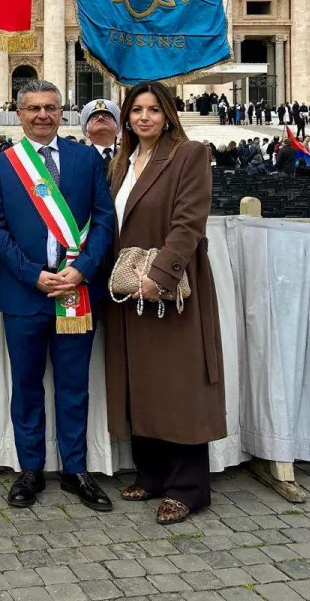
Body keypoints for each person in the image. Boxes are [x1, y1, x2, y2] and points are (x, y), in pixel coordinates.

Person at [0, 80, 115, 510]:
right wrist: (33, 274)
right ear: (19, 114)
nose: (42, 115)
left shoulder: (85, 158)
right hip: (25, 294)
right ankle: (31, 469)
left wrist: (81, 271)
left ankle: (76, 469)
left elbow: (103, 221)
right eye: (34, 108)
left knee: (75, 386)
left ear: (62, 113)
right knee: (27, 386)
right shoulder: (2, 165)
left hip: (76, 292)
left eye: (51, 108)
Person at [105, 81, 225, 525]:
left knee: (179, 381)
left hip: (169, 286)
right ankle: (152, 474)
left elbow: (188, 221)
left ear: (169, 113)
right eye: (136, 110)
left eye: (154, 109)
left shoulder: (189, 153)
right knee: (142, 379)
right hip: (127, 286)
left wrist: (160, 276)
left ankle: (189, 487)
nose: (144, 117)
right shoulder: (121, 162)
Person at [80, 99, 120, 163]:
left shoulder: (128, 157)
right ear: (87, 132)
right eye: (95, 117)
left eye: (106, 117)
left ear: (117, 129)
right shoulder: (79, 159)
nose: (100, 118)